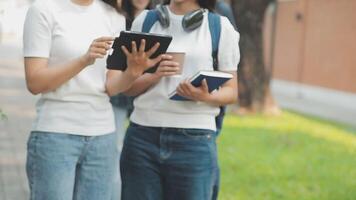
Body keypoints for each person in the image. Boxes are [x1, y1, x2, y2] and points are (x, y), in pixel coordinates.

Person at [23, 0, 161, 199]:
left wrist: (133, 72)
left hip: (102, 137)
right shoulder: (44, 9)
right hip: (55, 135)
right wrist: (83, 60)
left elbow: (112, 86)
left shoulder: (114, 15)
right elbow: (35, 83)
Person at [120, 0, 240, 199]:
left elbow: (231, 92)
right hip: (142, 138)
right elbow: (128, 88)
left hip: (195, 142)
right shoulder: (145, 21)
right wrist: (155, 74)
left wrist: (204, 96)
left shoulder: (220, 27)